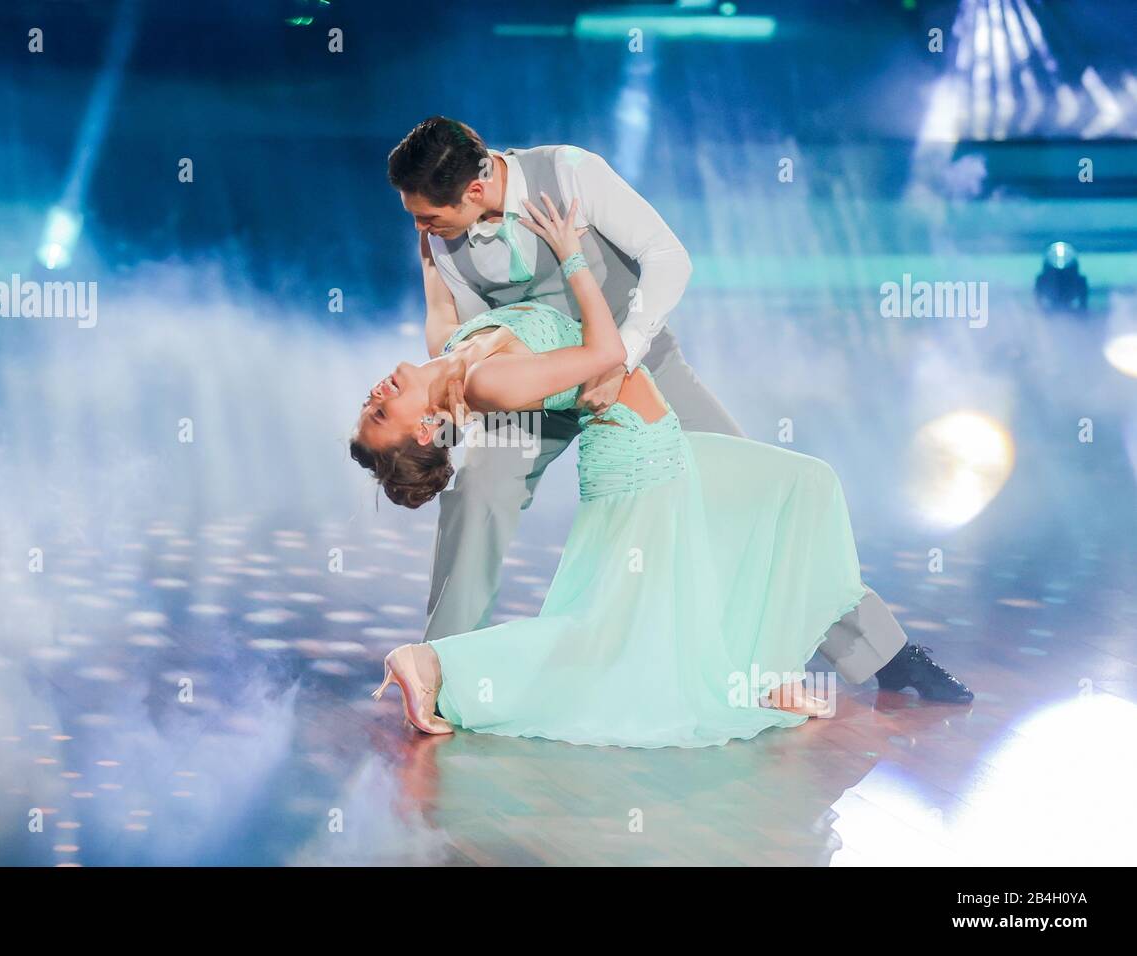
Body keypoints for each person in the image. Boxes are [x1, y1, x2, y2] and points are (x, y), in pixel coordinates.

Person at [379, 116, 971, 705]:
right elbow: (457, 328)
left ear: (474, 189)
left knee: (747, 494)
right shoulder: (439, 235)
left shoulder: (568, 172)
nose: (419, 226)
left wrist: (623, 355)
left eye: (427, 214)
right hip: (537, 392)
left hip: (636, 368)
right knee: (479, 486)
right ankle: (439, 670)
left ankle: (886, 654)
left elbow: (668, 256)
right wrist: (455, 380)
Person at [355, 194, 866, 746]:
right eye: (382, 413)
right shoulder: (487, 383)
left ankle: (769, 672)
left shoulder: (450, 348)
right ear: (427, 430)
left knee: (803, 485)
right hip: (634, 459)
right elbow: (604, 354)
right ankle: (430, 665)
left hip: (664, 442)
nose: (377, 393)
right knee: (601, 636)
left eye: (369, 401)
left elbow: (439, 308)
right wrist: (570, 256)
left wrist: (426, 237)